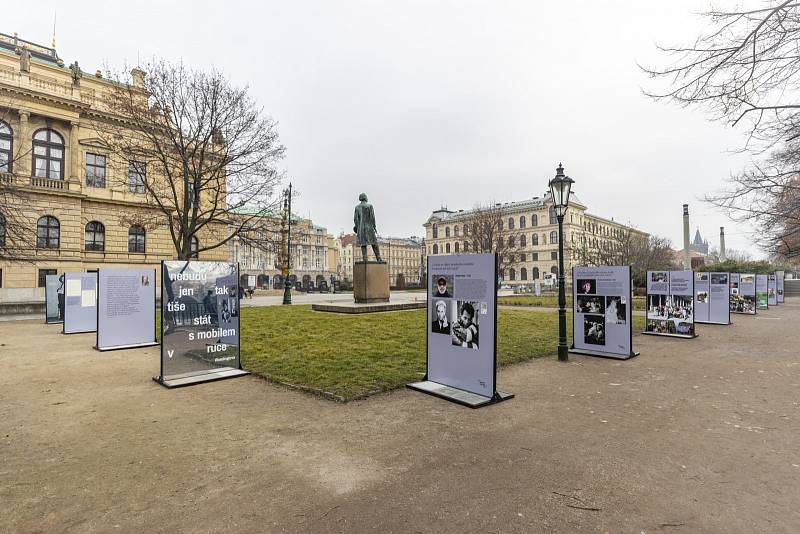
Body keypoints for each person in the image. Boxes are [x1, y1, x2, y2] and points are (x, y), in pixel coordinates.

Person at [353, 193, 383, 262]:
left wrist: (358, 227)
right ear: (365, 198)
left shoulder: (357, 207)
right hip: (369, 227)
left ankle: (365, 259)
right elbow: (372, 217)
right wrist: (374, 227)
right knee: (374, 243)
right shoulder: (369, 206)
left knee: (363, 244)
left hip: (361, 228)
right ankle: (378, 258)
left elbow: (355, 219)